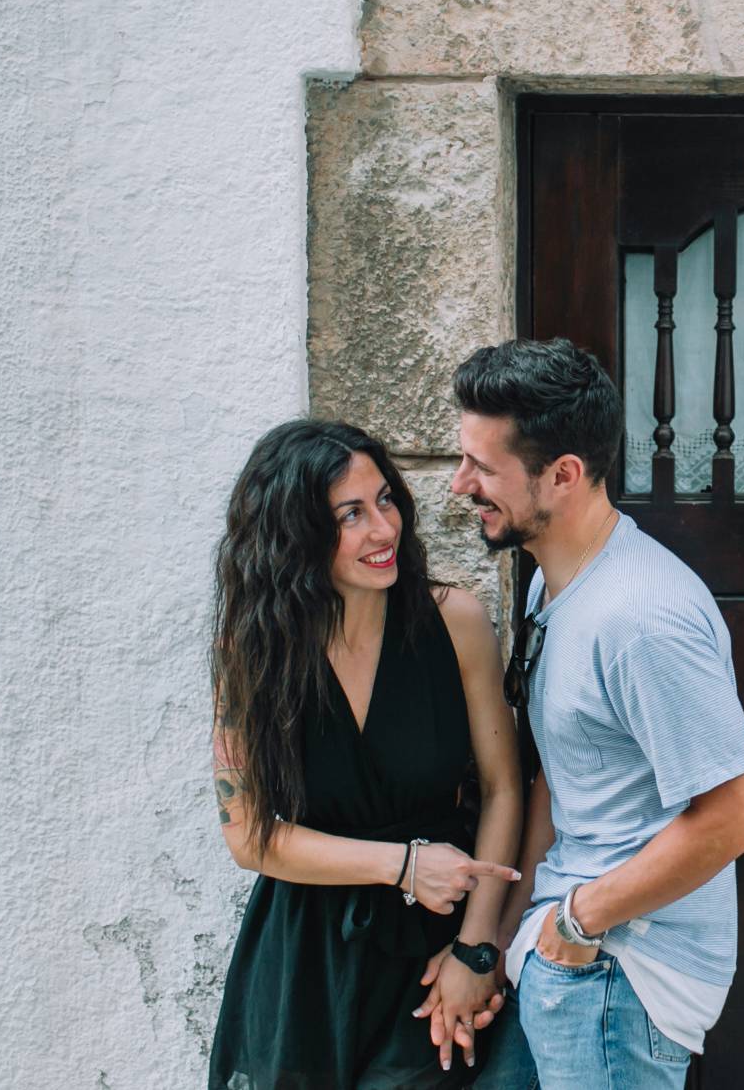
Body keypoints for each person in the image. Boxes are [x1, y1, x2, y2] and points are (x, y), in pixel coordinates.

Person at [444, 339, 744, 1090]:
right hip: (563, 954)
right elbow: (561, 781)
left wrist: (577, 921)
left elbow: (739, 815)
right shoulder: (552, 583)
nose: (461, 484)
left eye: (482, 467)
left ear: (563, 475)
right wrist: (501, 942)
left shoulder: (642, 621)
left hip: (619, 970)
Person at [207, 419, 525, 1089]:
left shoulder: (455, 621)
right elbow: (248, 835)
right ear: (294, 533)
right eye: (350, 514)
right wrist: (404, 865)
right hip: (305, 964)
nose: (383, 530)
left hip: (433, 954)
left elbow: (505, 789)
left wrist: (477, 947)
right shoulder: (252, 652)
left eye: (385, 501)